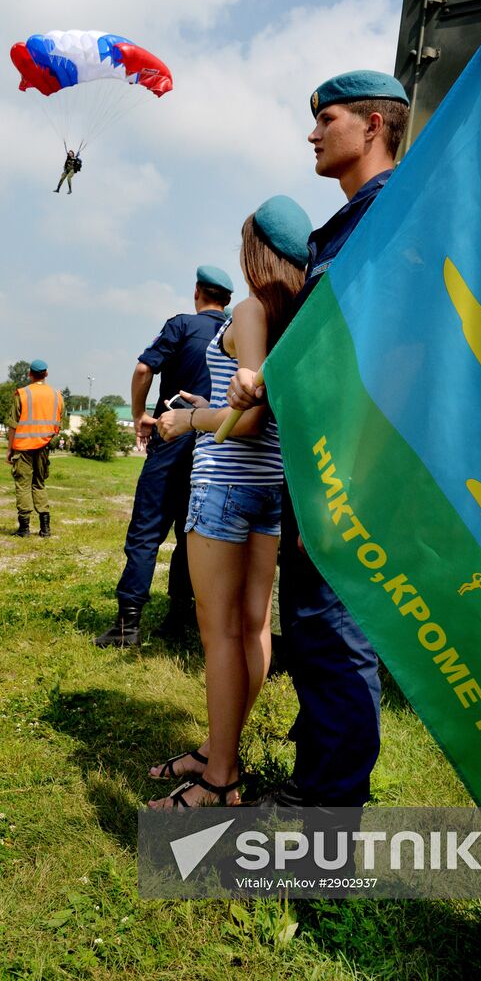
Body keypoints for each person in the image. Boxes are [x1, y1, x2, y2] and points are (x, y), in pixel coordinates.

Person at [229, 71, 410, 807]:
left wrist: (349, 486)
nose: (312, 133)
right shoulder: (348, 224)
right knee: (312, 630)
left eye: (324, 119)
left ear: (371, 125)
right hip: (320, 467)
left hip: (350, 473)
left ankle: (329, 824)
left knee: (336, 640)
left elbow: (395, 362)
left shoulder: (392, 217)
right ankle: (318, 779)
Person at [147, 195, 312, 808]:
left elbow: (243, 421)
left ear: (256, 253)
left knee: (218, 637)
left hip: (223, 489)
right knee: (252, 627)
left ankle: (220, 780)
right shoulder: (296, 313)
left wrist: (185, 422)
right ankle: (221, 752)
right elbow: (252, 401)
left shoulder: (249, 309)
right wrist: (208, 400)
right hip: (268, 491)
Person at [94, 266, 233, 648]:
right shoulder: (232, 332)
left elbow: (143, 368)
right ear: (227, 300)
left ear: (197, 293)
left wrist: (140, 414)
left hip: (172, 437)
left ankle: (128, 625)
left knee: (145, 532)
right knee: (191, 534)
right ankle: (179, 615)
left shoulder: (182, 324)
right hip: (210, 444)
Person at [6, 359, 63, 538]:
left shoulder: (22, 394)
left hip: (22, 447)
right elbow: (58, 423)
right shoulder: (57, 395)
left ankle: (24, 529)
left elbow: (13, 425)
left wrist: (9, 449)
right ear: (46, 374)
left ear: (30, 373)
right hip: (44, 446)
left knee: (23, 486)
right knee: (39, 484)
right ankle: (45, 528)